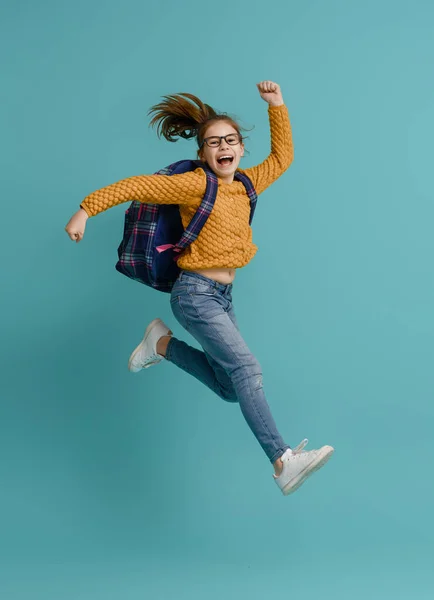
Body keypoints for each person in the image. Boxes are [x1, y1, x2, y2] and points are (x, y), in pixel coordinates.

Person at [65, 81, 334, 496]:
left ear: (240, 147)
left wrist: (276, 105)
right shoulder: (193, 184)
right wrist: (85, 210)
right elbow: (136, 186)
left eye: (230, 140)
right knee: (247, 370)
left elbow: (283, 157)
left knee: (231, 387)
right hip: (194, 294)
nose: (223, 147)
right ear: (202, 154)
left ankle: (160, 345)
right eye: (213, 142)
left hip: (222, 297)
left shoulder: (247, 183)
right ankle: (282, 461)